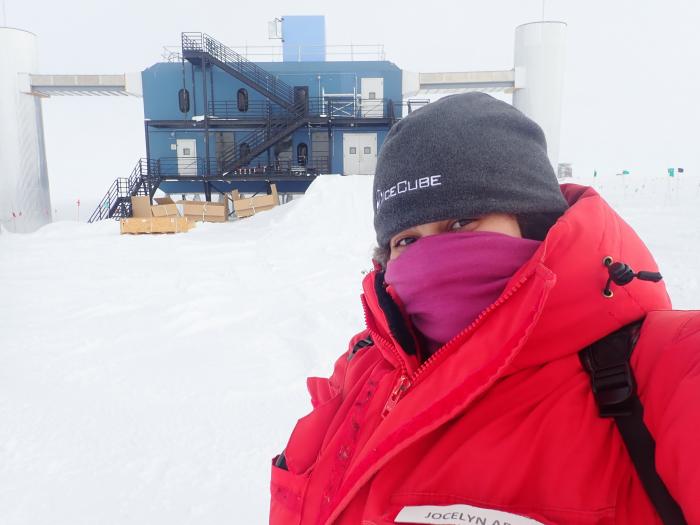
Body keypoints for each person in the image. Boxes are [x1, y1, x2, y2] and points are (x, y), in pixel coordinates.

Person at [269, 93, 700, 525]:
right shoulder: (367, 363)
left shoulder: (666, 373)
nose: (430, 258)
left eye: (460, 223)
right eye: (407, 241)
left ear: (533, 224)